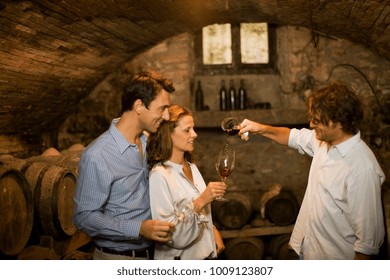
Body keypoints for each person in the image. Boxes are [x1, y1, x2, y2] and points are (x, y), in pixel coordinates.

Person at [238, 82, 385, 260]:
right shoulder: (324, 142)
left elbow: (367, 245)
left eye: (317, 120)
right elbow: (291, 136)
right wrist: (259, 128)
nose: (311, 124)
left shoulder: (362, 168)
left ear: (338, 122)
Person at [73, 71, 176, 260]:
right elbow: (84, 217)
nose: (167, 116)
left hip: (154, 254)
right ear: (139, 106)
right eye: (162, 108)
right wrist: (139, 228)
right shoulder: (98, 154)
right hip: (117, 258)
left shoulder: (147, 142)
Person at [147, 104, 226, 260]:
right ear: (168, 134)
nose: (195, 134)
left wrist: (212, 231)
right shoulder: (159, 175)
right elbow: (171, 235)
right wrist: (202, 200)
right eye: (187, 130)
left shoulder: (191, 167)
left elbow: (201, 215)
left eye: (193, 128)